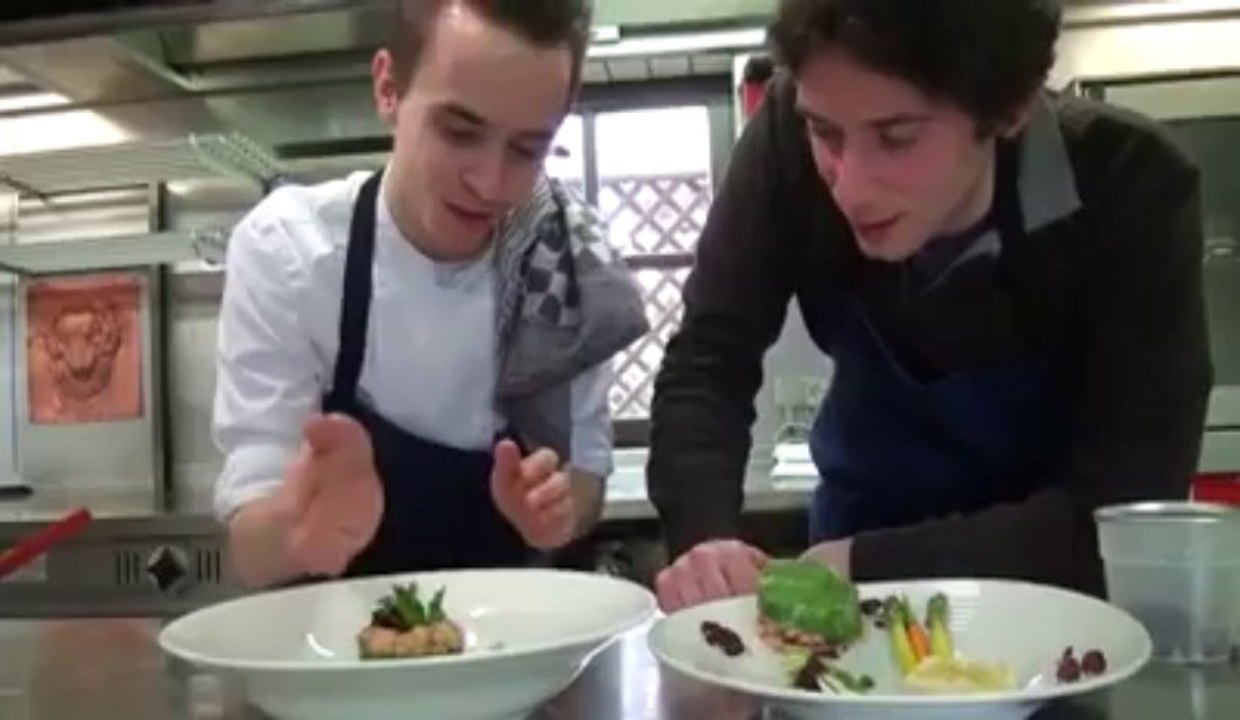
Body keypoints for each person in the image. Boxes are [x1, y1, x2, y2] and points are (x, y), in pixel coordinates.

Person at [649, 0, 1211, 611]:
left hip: (1063, 602)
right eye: (827, 134)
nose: (851, 188)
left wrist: (868, 565)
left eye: (897, 138)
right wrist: (707, 546)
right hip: (853, 579)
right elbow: (707, 362)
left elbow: (1127, 503)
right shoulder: (786, 137)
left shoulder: (1133, 184)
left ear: (1010, 108)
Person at [211, 0, 648, 588]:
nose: (491, 183)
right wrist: (296, 525)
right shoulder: (290, 254)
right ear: (388, 88)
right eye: (460, 132)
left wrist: (556, 512)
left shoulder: (567, 266)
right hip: (340, 656)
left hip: (517, 653)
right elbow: (249, 549)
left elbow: (589, 477)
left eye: (527, 149)